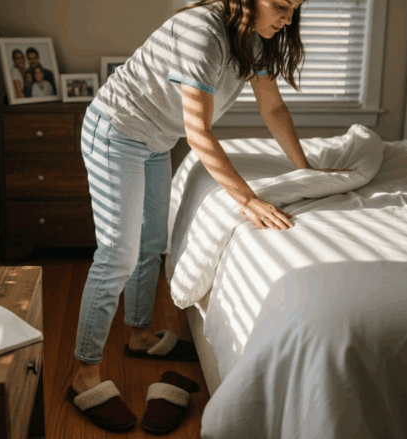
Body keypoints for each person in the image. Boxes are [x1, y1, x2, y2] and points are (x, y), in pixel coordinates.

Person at [70, 0, 348, 432]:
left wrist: (305, 171)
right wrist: (248, 200)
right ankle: (84, 372)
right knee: (117, 255)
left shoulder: (256, 37)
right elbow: (198, 132)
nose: (287, 18)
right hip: (117, 131)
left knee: (151, 244)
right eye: (280, 5)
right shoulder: (203, 31)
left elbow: (272, 108)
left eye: (294, 8)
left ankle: (140, 336)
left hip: (156, 139)